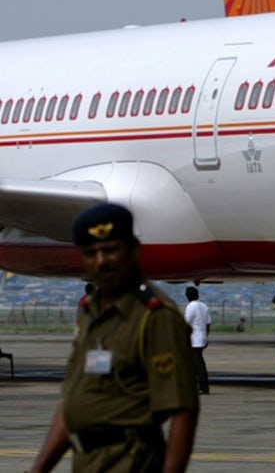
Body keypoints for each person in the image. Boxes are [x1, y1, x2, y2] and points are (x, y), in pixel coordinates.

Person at [32, 203, 199, 473]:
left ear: (134, 250)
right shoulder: (92, 312)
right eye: (91, 253)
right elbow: (73, 401)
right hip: (87, 462)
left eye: (110, 250)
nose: (101, 261)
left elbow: (183, 412)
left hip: (130, 461)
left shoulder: (154, 316)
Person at [184, 286, 212, 395]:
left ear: (187, 296)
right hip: (202, 338)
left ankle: (202, 386)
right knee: (199, 363)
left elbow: (186, 323)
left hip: (194, 340)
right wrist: (205, 335)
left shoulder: (190, 306)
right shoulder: (203, 306)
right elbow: (208, 323)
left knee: (197, 364)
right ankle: (202, 386)